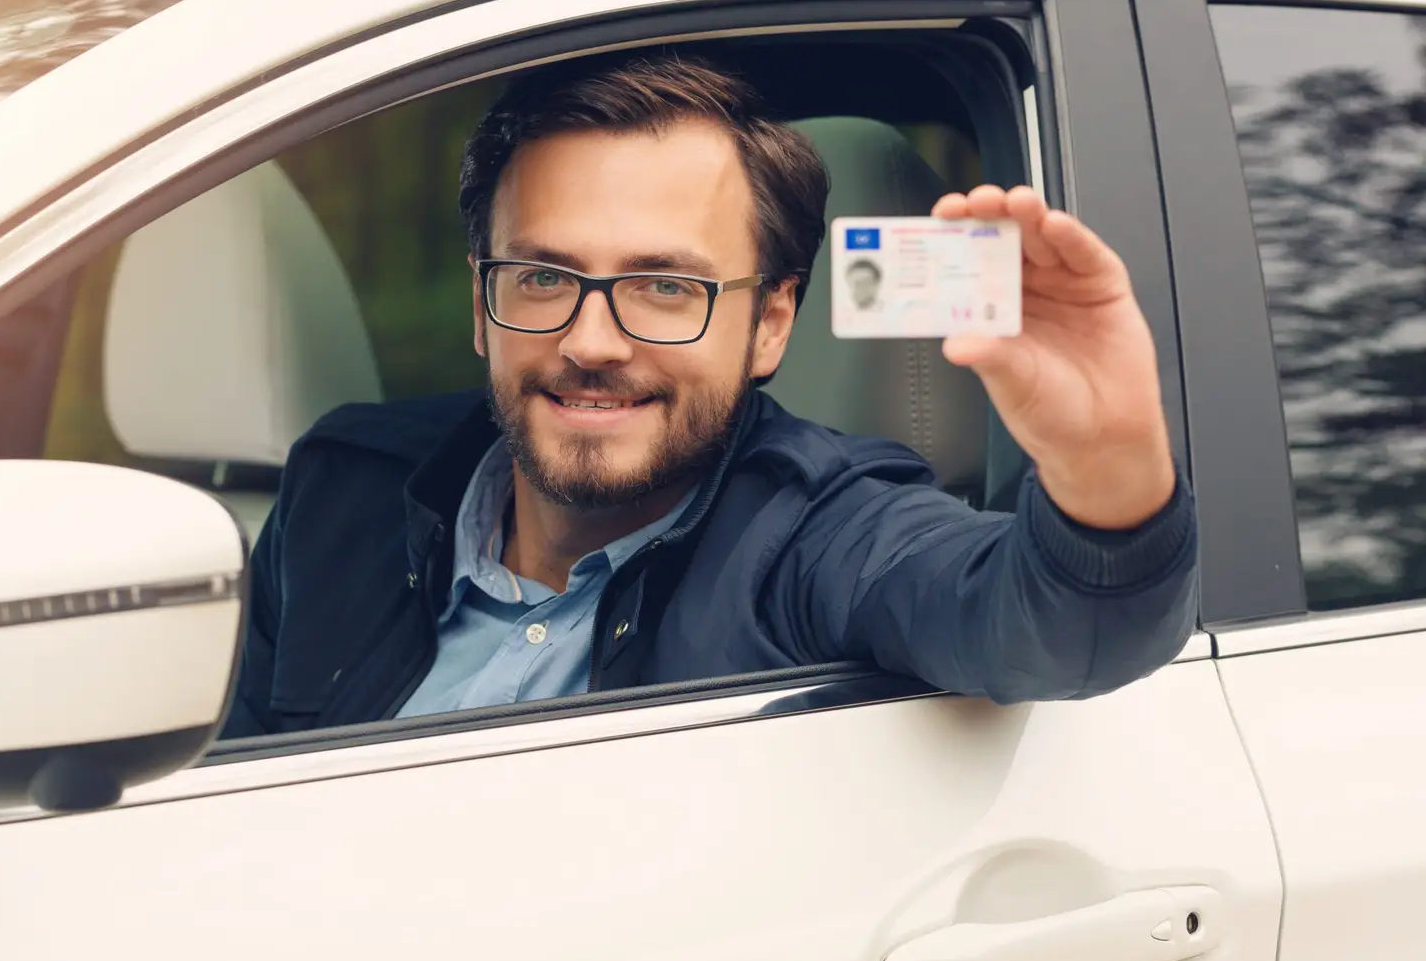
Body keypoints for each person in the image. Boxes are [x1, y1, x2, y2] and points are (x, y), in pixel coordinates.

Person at [225, 49, 1197, 736]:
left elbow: (1061, 631)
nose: (590, 341)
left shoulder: (821, 533)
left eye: (665, 287)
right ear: (483, 300)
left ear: (771, 321)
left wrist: (1104, 462)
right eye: (542, 277)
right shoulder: (338, 491)